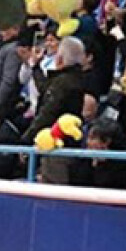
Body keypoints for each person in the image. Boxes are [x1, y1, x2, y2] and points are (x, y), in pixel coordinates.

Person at [23, 36, 88, 185]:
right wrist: (36, 67)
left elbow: (47, 113)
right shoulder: (73, 78)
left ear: (60, 59)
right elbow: (46, 89)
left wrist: (26, 139)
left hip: (56, 146)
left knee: (53, 189)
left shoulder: (63, 83)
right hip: (63, 142)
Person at [70, 117, 126, 190]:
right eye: (88, 138)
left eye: (92, 138)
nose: (87, 142)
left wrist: (100, 165)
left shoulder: (124, 164)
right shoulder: (82, 160)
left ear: (106, 141)